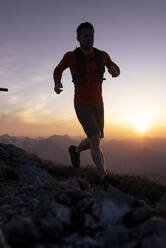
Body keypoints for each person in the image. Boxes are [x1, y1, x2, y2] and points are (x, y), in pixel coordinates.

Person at [53, 22, 120, 188]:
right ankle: (104, 178)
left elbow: (116, 68)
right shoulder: (71, 56)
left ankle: (75, 151)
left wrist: (114, 72)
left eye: (91, 35)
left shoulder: (102, 55)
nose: (89, 38)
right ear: (78, 38)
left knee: (96, 138)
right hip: (81, 104)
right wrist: (57, 84)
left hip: (99, 104)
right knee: (95, 139)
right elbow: (58, 70)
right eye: (85, 36)